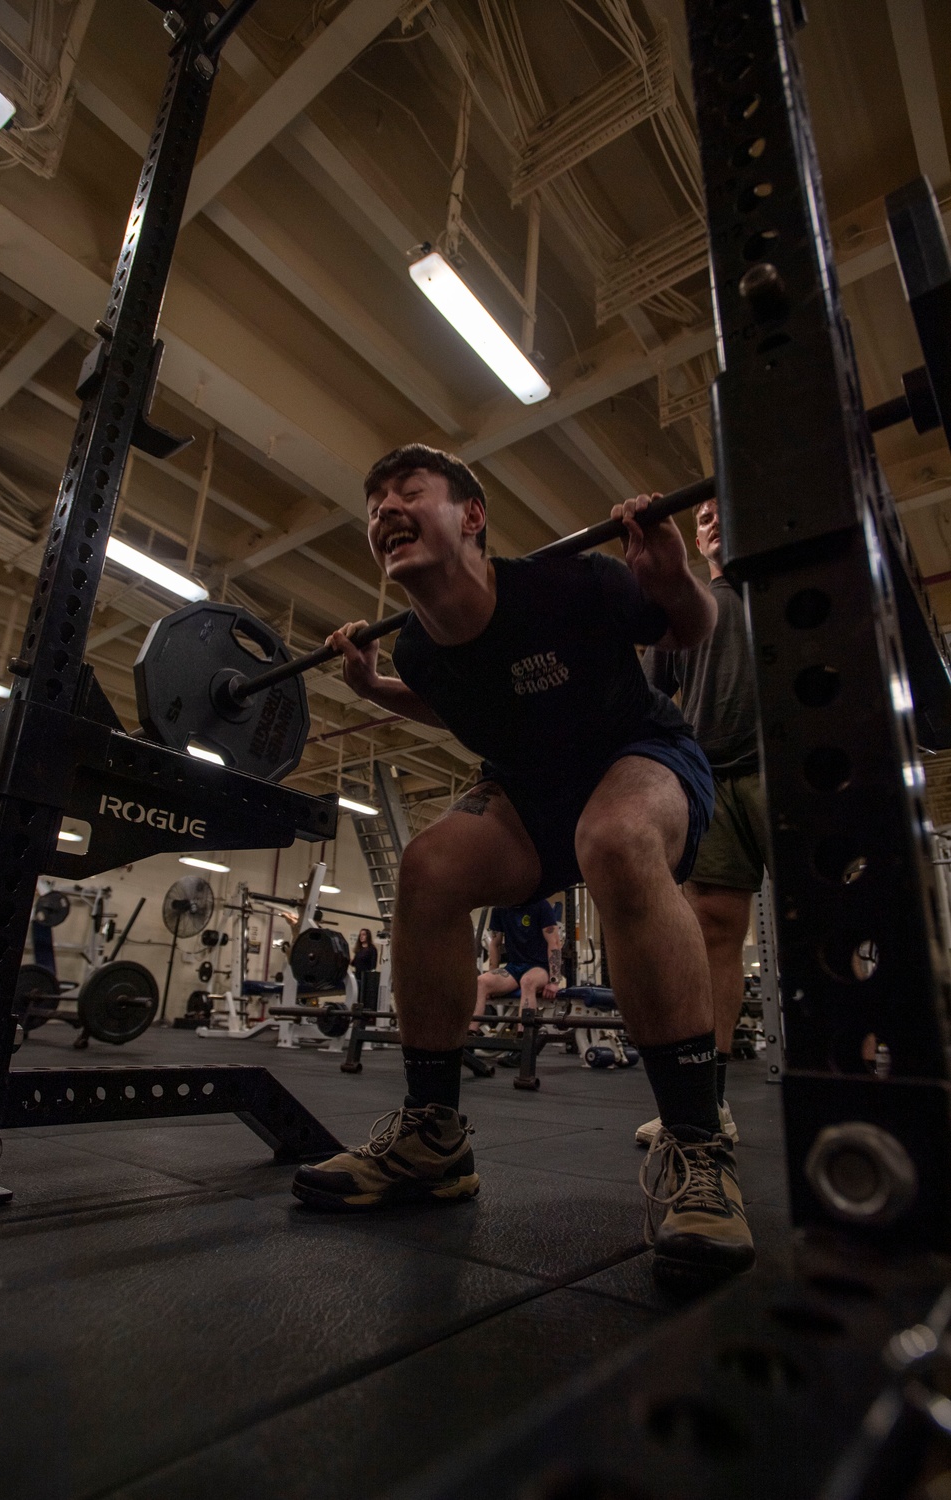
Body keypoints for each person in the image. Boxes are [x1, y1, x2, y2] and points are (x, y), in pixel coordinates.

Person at [292, 445, 754, 1284]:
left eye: (409, 491)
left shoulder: (570, 584)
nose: (385, 509)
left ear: (472, 515)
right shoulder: (425, 653)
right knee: (428, 869)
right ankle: (434, 1137)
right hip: (530, 792)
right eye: (375, 503)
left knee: (612, 839)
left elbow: (693, 629)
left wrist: (672, 577)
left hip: (641, 752)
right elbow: (444, 701)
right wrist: (372, 691)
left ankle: (697, 1148)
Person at [636, 494, 769, 1149]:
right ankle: (707, 1108)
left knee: (826, 925)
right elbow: (652, 696)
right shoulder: (683, 604)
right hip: (710, 776)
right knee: (714, 928)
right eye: (704, 516)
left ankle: (856, 1090)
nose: (713, 520)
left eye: (725, 509)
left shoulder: (776, 580)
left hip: (787, 765)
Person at [471, 899, 561, 1030]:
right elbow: (494, 944)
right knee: (481, 982)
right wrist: (492, 974)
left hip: (540, 968)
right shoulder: (500, 908)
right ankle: (470, 1034)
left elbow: (554, 943)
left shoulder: (541, 905)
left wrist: (554, 981)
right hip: (514, 968)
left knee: (527, 981)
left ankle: (523, 1038)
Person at [352, 928, 378, 1006]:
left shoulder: (372, 949)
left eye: (363, 934)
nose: (361, 936)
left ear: (368, 936)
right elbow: (355, 963)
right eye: (360, 935)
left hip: (366, 978)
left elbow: (373, 966)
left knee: (364, 998)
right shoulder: (359, 949)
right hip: (357, 977)